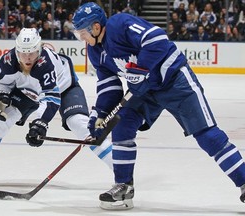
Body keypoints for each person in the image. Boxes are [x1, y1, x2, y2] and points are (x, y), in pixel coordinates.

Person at [72, 2, 245, 210]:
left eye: (83, 32)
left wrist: (141, 69)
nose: (81, 37)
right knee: (122, 124)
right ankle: (123, 187)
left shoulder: (119, 24)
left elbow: (157, 38)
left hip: (174, 82)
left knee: (207, 135)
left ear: (96, 26)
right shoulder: (95, 51)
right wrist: (99, 114)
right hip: (144, 90)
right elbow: (109, 85)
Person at [0, 28, 113, 185]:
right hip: (28, 92)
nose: (27, 58)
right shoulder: (8, 60)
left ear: (39, 50)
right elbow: (0, 83)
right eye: (23, 53)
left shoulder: (45, 64)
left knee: (79, 124)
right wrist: (1, 95)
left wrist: (40, 123)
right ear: (17, 50)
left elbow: (51, 100)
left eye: (32, 53)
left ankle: (118, 167)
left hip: (65, 88)